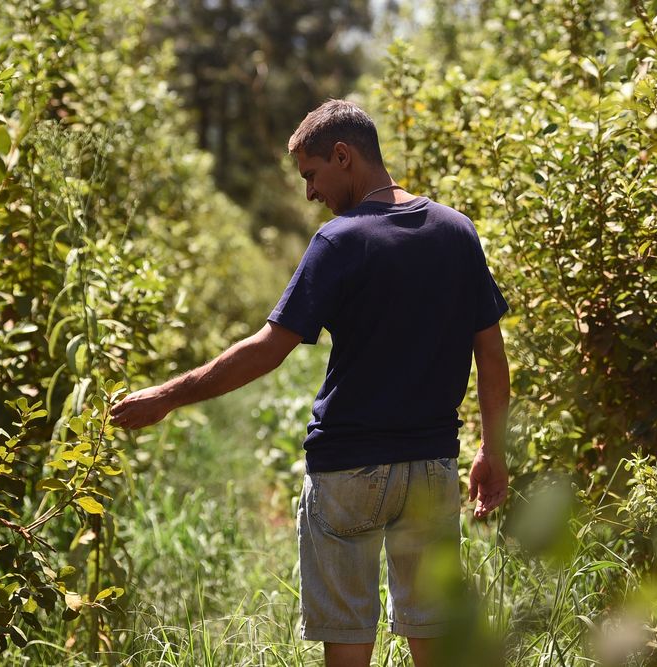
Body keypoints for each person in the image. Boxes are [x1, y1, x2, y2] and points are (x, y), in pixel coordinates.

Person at [109, 99, 510, 667]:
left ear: (343, 156)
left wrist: (168, 395)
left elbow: (267, 349)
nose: (310, 193)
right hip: (432, 468)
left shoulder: (339, 241)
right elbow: (492, 357)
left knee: (347, 647)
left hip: (347, 469)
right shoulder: (456, 231)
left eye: (312, 174)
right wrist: (493, 451)